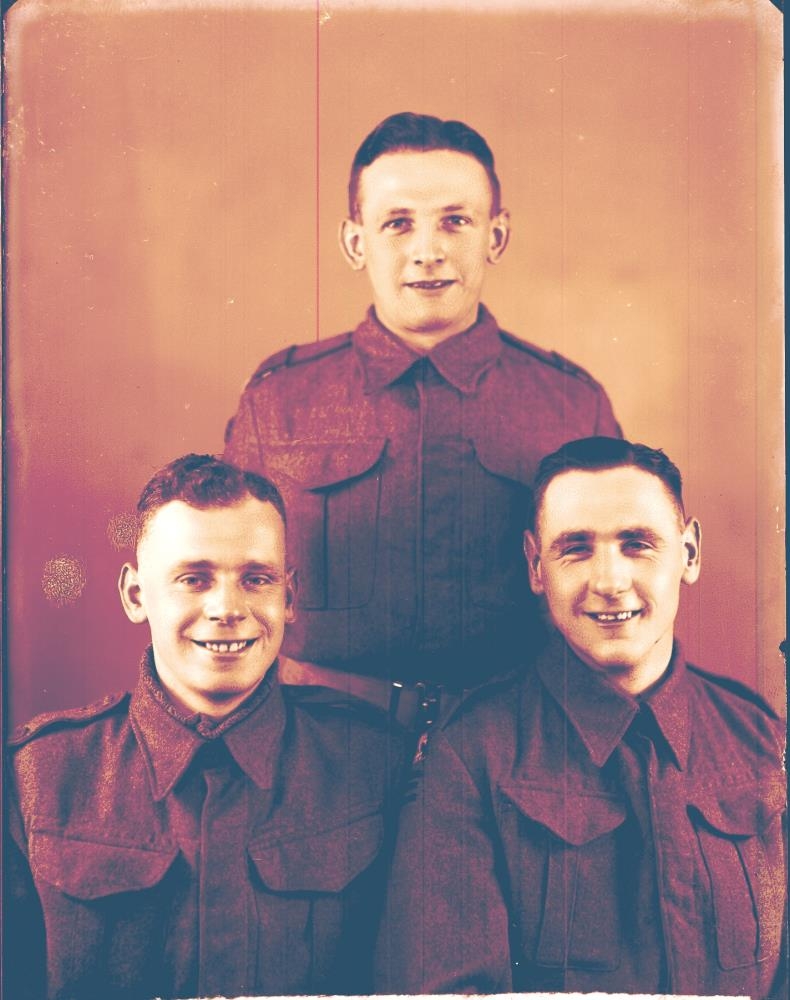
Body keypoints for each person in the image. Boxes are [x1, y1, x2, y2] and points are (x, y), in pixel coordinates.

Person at [224, 112, 621, 717]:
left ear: (496, 237)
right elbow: (224, 583)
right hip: (319, 737)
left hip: (515, 738)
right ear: (356, 243)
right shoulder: (280, 399)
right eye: (398, 223)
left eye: (455, 221)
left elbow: (616, 594)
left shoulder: (570, 403)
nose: (428, 252)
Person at [375, 436, 787, 997]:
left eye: (637, 544)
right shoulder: (471, 753)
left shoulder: (762, 739)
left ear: (689, 553)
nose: (609, 582)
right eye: (576, 549)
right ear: (535, 566)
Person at [6, 455, 403, 1000]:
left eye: (256, 579)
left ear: (288, 597)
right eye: (194, 579)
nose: (226, 608)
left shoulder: (373, 763)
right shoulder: (37, 776)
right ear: (136, 596)